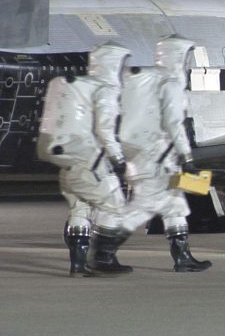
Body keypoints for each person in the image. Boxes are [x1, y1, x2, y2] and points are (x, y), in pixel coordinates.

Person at [119, 36, 212, 272]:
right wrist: (187, 157)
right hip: (158, 158)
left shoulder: (141, 80)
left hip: (140, 155)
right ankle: (104, 250)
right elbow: (173, 124)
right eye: (185, 57)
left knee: (173, 206)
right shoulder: (169, 83)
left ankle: (182, 257)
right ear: (177, 56)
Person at [40, 42, 132, 277]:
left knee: (80, 209)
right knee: (115, 207)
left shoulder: (79, 88)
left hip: (69, 161)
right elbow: (105, 130)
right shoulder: (106, 90)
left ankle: (78, 265)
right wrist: (119, 160)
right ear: (114, 64)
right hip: (92, 162)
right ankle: (103, 258)